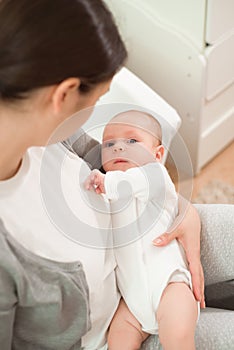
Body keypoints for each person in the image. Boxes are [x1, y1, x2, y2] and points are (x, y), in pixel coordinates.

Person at [0, 0, 204, 349]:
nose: (97, 111)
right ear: (63, 95)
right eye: (99, 98)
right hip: (116, 327)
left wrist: (184, 210)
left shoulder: (57, 134)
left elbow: (127, 168)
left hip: (158, 250)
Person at [85, 110, 199, 350]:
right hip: (131, 302)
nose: (118, 148)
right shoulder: (109, 194)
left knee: (177, 334)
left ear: (157, 154)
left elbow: (131, 183)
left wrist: (104, 181)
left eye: (132, 141)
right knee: (119, 336)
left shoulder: (155, 176)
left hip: (169, 284)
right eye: (109, 143)